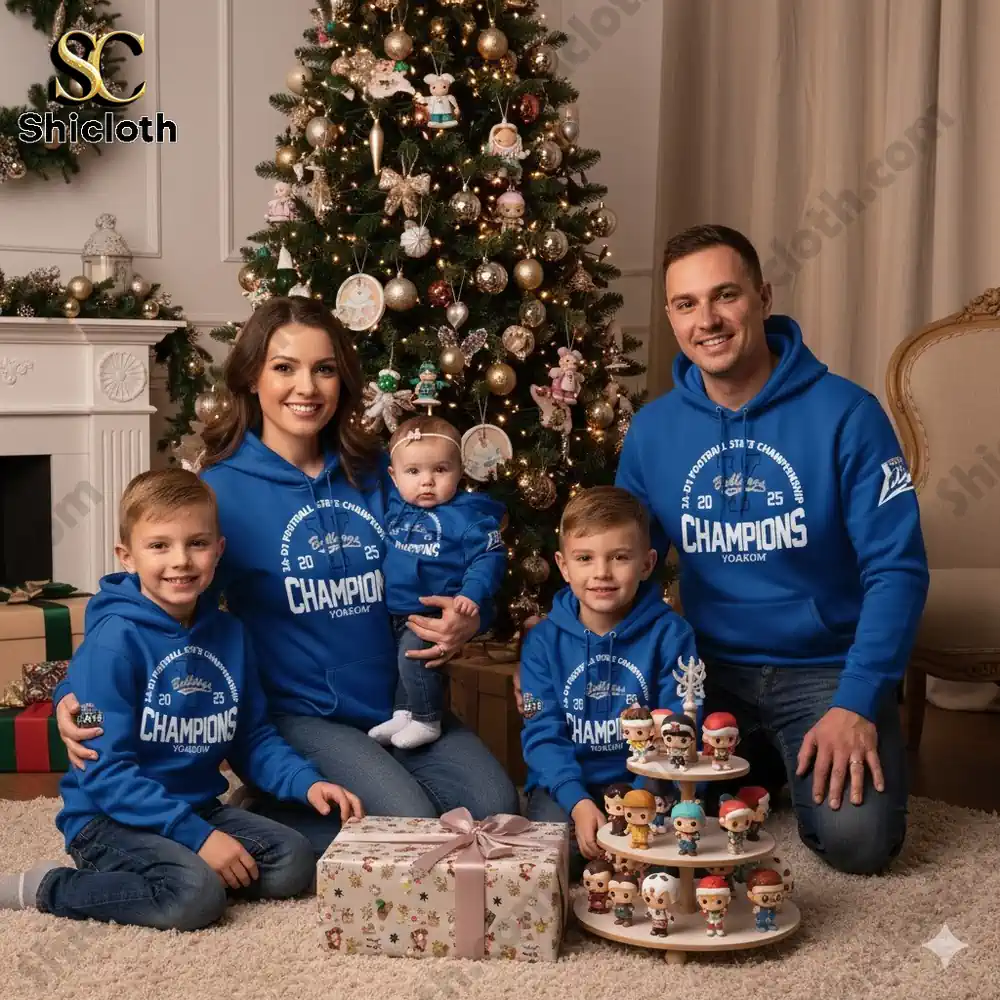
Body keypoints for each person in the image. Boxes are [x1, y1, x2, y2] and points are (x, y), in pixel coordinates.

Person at [54, 296, 519, 858]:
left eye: (323, 369)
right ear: (252, 376)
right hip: (296, 716)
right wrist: (75, 692)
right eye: (285, 367)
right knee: (407, 828)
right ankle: (269, 807)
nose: (307, 387)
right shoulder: (222, 492)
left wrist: (468, 623)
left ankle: (359, 789)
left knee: (498, 810)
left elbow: (461, 558)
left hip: (398, 705)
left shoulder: (382, 473)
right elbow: (143, 594)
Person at [615, 223, 929, 875]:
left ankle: (822, 746)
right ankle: (767, 771)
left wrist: (858, 700)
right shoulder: (652, 432)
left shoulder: (848, 414)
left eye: (724, 295)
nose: (708, 320)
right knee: (642, 813)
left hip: (825, 668)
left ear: (761, 296)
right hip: (706, 670)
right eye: (685, 304)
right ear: (671, 315)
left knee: (859, 844)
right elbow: (626, 566)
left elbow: (897, 571)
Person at [1, 469, 361, 929]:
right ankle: (48, 886)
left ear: (219, 550)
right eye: (159, 546)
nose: (181, 561)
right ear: (126, 557)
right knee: (195, 897)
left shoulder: (230, 635)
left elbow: (251, 736)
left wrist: (305, 783)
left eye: (197, 543)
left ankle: (188, 860)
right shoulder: (112, 642)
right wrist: (199, 838)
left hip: (196, 807)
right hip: (108, 819)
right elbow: (103, 771)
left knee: (293, 861)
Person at [519, 486, 700, 879]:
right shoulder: (541, 643)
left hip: (650, 781)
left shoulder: (673, 635)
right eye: (584, 558)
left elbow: (679, 729)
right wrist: (577, 801)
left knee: (675, 855)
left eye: (619, 557)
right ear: (563, 566)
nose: (601, 572)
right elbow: (541, 733)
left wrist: (640, 801)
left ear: (648, 563)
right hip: (569, 783)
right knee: (551, 862)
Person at [368, 415, 506, 749]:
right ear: (394, 475)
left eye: (440, 470)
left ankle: (427, 719)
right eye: (413, 472)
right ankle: (404, 713)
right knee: (402, 660)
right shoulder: (396, 507)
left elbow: (490, 557)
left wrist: (472, 594)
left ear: (459, 471)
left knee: (413, 658)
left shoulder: (468, 517)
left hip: (434, 610)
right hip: (397, 609)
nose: (426, 482)